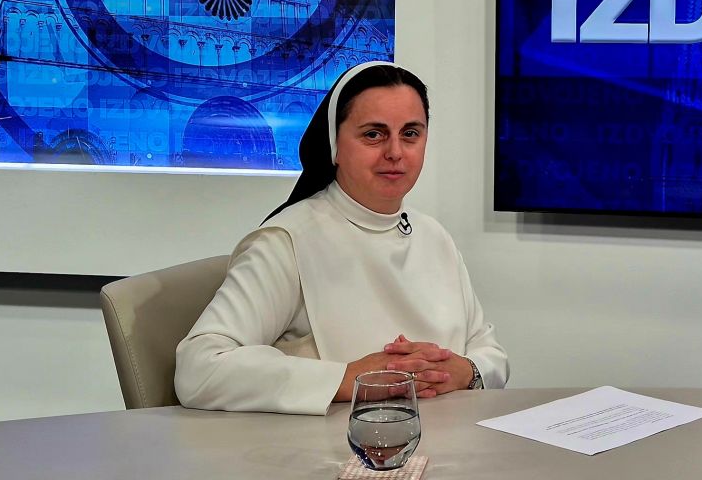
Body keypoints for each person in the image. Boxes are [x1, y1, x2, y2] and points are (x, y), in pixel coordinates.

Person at [175, 61, 509, 414]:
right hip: (337, 444)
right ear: (335, 144)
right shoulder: (286, 242)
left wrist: (465, 371)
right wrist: (346, 378)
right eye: (374, 134)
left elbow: (490, 352)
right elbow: (200, 368)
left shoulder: (434, 236)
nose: (395, 152)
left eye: (410, 133)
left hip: (449, 436)